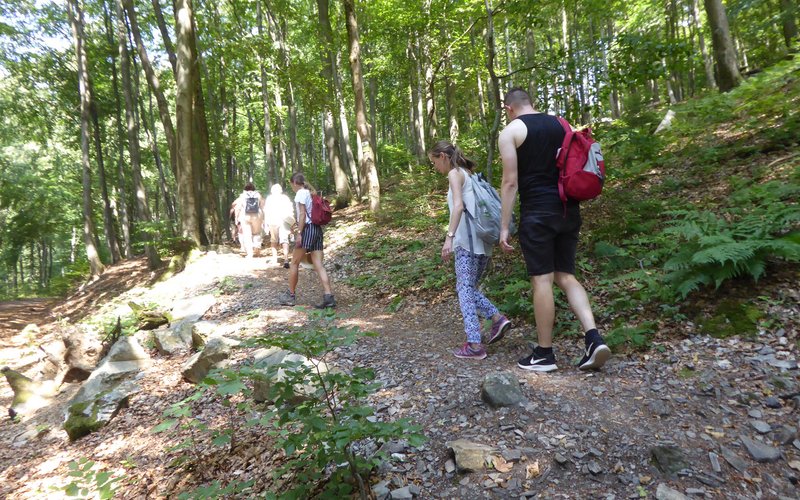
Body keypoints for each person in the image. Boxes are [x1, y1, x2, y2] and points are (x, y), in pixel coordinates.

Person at [498, 88, 610, 372]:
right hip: (568, 209)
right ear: (530, 102)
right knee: (566, 276)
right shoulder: (562, 124)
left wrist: (503, 227)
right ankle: (593, 338)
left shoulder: (511, 131)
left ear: (509, 108)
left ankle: (545, 354)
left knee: (542, 280)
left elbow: (510, 183)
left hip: (538, 213)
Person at [429, 141, 512, 360]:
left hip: (467, 242)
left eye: (434, 161)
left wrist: (449, 238)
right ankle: (497, 319)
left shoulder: (455, 174)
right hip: (483, 242)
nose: (435, 166)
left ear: (443, 157)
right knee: (468, 289)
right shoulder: (468, 173)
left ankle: (475, 344)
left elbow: (458, 207)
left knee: (464, 291)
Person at [278, 173, 336, 309]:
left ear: (294, 183)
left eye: (291, 184)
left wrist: (299, 232)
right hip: (317, 230)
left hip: (307, 230)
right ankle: (329, 297)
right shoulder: (311, 193)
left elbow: (303, 214)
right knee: (318, 264)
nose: (292, 187)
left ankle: (290, 296)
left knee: (294, 263)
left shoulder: (300, 193)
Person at [263, 184, 295, 268]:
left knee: (274, 240)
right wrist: (291, 223)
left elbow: (266, 211)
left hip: (272, 221)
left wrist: (266, 224)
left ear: (272, 191)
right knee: (285, 240)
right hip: (284, 221)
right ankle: (286, 259)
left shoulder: (270, 198)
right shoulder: (285, 198)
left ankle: (274, 259)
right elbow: (291, 210)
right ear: (281, 190)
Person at [232, 182, 264, 258]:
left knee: (247, 235)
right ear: (253, 188)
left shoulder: (242, 196)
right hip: (257, 215)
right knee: (256, 233)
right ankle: (257, 248)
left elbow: (238, 208)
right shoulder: (258, 195)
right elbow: (262, 206)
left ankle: (250, 254)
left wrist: (236, 218)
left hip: (245, 216)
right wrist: (264, 218)